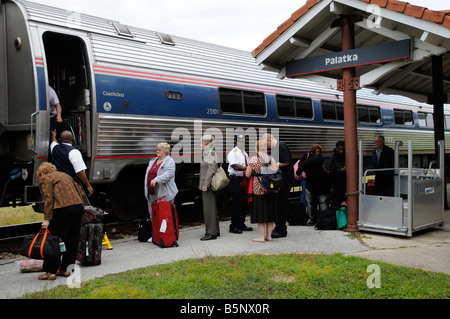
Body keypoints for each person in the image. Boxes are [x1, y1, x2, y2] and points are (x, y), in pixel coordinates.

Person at [36, 162, 84, 280]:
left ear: (42, 172)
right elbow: (81, 192)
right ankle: (66, 270)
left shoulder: (45, 178)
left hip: (62, 209)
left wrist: (47, 219)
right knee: (72, 239)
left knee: (54, 240)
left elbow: (48, 199)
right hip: (78, 207)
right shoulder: (65, 175)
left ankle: (50, 272)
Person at [245, 140, 278, 242]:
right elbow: (275, 170)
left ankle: (261, 237)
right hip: (271, 189)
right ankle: (269, 236)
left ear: (256, 148)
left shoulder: (254, 159)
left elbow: (247, 175)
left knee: (261, 213)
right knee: (270, 213)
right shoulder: (271, 158)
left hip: (259, 188)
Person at [262, 133, 294, 238]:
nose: (266, 146)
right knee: (279, 205)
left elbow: (286, 162)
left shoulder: (281, 146)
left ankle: (281, 230)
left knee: (281, 205)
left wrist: (273, 165)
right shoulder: (277, 147)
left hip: (284, 181)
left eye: (266, 144)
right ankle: (279, 227)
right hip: (281, 180)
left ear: (269, 140)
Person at [51, 130, 93, 204]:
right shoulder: (74, 152)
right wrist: (88, 186)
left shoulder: (54, 147)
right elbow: (80, 171)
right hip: (70, 184)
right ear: (73, 139)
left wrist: (54, 135)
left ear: (60, 139)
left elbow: (53, 141)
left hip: (57, 182)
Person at [298, 144, 332, 226]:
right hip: (323, 186)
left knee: (310, 203)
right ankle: (324, 220)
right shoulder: (324, 160)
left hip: (311, 186)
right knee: (323, 202)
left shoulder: (309, 161)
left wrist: (300, 172)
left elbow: (299, 168)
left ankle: (312, 219)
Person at [227, 134, 253, 234]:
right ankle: (234, 226)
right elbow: (235, 166)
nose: (243, 143)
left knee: (243, 203)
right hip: (236, 180)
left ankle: (241, 224)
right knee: (236, 203)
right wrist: (247, 168)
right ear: (236, 142)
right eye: (241, 141)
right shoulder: (233, 152)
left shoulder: (244, 153)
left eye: (244, 141)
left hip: (243, 179)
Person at [144, 142, 178, 217]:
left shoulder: (170, 161)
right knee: (153, 216)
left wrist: (157, 179)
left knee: (164, 217)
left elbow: (168, 174)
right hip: (151, 194)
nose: (157, 151)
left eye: (159, 150)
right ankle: (154, 229)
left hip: (164, 194)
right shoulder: (152, 161)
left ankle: (165, 229)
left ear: (165, 151)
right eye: (157, 149)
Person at [199, 135, 220, 241]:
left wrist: (206, 184)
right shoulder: (207, 153)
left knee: (209, 209)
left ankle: (211, 233)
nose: (200, 145)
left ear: (207, 144)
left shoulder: (210, 153)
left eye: (202, 143)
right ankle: (215, 230)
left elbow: (211, 170)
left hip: (207, 185)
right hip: (207, 184)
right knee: (211, 207)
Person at [328, 141, 347, 208]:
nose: (341, 151)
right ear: (336, 149)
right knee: (338, 199)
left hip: (344, 180)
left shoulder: (345, 156)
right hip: (336, 181)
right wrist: (341, 170)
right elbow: (331, 170)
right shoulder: (333, 158)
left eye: (343, 149)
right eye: (340, 149)